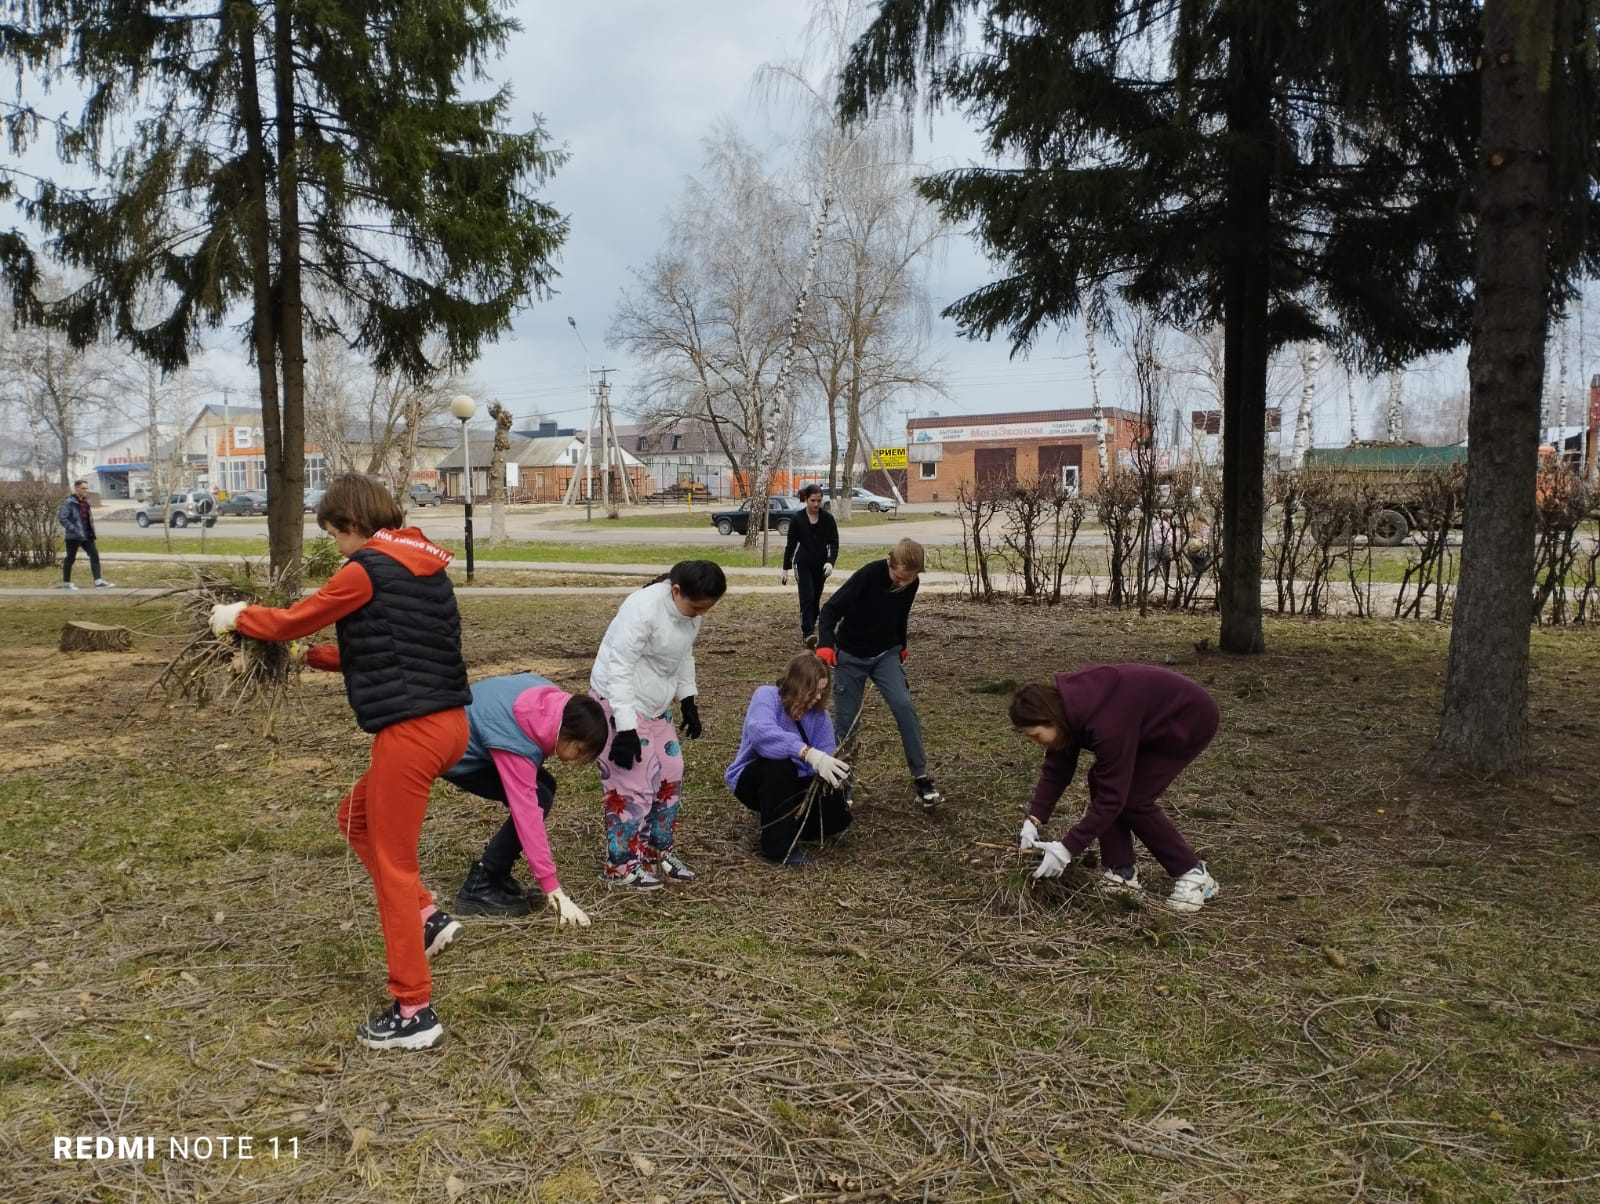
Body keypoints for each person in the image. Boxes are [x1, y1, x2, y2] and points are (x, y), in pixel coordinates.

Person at [209, 473, 471, 1051]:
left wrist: (239, 617)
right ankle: (427, 918)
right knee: (354, 819)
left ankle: (413, 1011)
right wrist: (305, 659)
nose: (335, 545)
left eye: (333, 534)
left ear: (351, 523)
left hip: (410, 733)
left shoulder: (367, 567)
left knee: (394, 868)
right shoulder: (424, 566)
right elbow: (378, 653)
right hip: (450, 724)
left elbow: (292, 618)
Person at [1009, 664, 1220, 913]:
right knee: (1102, 781)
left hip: (1186, 719)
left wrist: (1067, 848)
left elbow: (1112, 799)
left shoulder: (1106, 724)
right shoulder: (1068, 713)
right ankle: (1121, 872)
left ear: (1051, 718)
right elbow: (1057, 770)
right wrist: (1034, 819)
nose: (1034, 742)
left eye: (1035, 734)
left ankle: (1194, 873)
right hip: (1145, 723)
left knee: (1132, 798)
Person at [590, 560, 727, 888]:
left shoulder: (691, 618)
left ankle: (655, 849)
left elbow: (683, 656)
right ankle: (620, 863)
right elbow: (619, 666)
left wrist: (688, 699)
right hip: (619, 701)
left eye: (706, 609)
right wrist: (624, 728)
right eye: (696, 607)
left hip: (656, 704)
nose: (699, 614)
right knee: (632, 783)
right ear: (676, 591)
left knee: (670, 771)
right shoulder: (643, 609)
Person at [443, 673, 609, 924]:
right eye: (581, 751)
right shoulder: (516, 742)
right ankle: (481, 884)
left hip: (473, 729)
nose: (578, 759)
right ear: (571, 735)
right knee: (538, 799)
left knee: (545, 787)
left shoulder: (551, 700)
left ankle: (496, 873)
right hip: (454, 754)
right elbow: (527, 815)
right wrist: (554, 891)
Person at [815, 537, 943, 810]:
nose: (902, 583)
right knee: (847, 723)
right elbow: (830, 609)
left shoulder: (911, 583)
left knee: (904, 705)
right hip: (850, 655)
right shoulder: (869, 575)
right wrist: (826, 643)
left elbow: (901, 615)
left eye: (908, 579)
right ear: (889, 561)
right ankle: (842, 783)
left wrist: (902, 645)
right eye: (898, 577)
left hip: (885, 654)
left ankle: (921, 778)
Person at [727, 652, 853, 866]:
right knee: (779, 766)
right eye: (814, 691)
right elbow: (761, 734)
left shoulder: (820, 717)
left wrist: (830, 773)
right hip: (756, 778)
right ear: (799, 685)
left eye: (822, 691)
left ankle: (792, 825)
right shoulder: (766, 696)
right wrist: (806, 753)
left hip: (795, 784)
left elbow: (825, 753)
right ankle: (777, 848)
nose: (818, 697)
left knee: (837, 814)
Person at [781, 484, 839, 647]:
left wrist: (830, 562)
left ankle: (811, 627)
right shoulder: (798, 519)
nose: (815, 504)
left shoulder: (827, 519)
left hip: (820, 565)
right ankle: (807, 632)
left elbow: (834, 542)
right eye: (812, 500)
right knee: (807, 597)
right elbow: (790, 545)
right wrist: (785, 568)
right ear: (806, 499)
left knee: (815, 599)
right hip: (802, 563)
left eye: (818, 501)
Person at [58, 480, 113, 590]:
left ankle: (98, 582)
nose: (85, 490)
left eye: (86, 488)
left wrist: (91, 532)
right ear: (76, 488)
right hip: (74, 536)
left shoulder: (86, 501)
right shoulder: (70, 502)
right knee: (70, 558)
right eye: (83, 488)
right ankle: (67, 583)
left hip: (87, 535)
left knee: (94, 555)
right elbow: (62, 518)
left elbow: (88, 519)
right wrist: (74, 529)